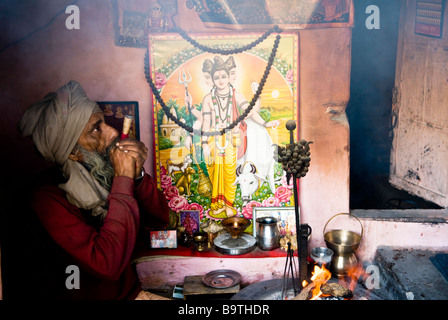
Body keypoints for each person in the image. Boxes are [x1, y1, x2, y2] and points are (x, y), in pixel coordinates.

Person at [17, 81, 169, 300]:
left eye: (105, 123)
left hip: (134, 292)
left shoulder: (101, 173)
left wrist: (137, 177)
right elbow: (107, 265)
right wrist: (123, 179)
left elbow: (159, 222)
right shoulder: (47, 200)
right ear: (73, 153)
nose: (114, 132)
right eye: (96, 128)